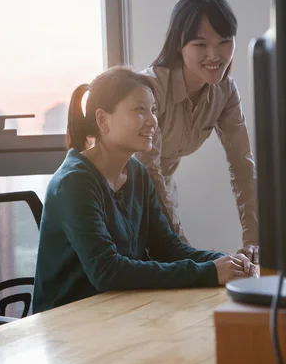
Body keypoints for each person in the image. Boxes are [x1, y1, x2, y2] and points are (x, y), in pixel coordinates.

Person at [33, 67, 256, 313]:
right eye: (140, 110)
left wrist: (224, 261)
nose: (152, 121)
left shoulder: (137, 173)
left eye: (153, 110)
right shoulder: (74, 182)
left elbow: (168, 248)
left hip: (117, 311)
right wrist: (209, 272)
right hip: (68, 323)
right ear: (102, 120)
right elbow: (107, 271)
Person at [136, 0, 259, 263]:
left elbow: (242, 164)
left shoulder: (225, 91)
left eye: (224, 42)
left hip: (162, 190)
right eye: (200, 44)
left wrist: (254, 241)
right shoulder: (150, 88)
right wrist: (184, 250)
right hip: (122, 195)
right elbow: (148, 170)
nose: (214, 55)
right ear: (179, 44)